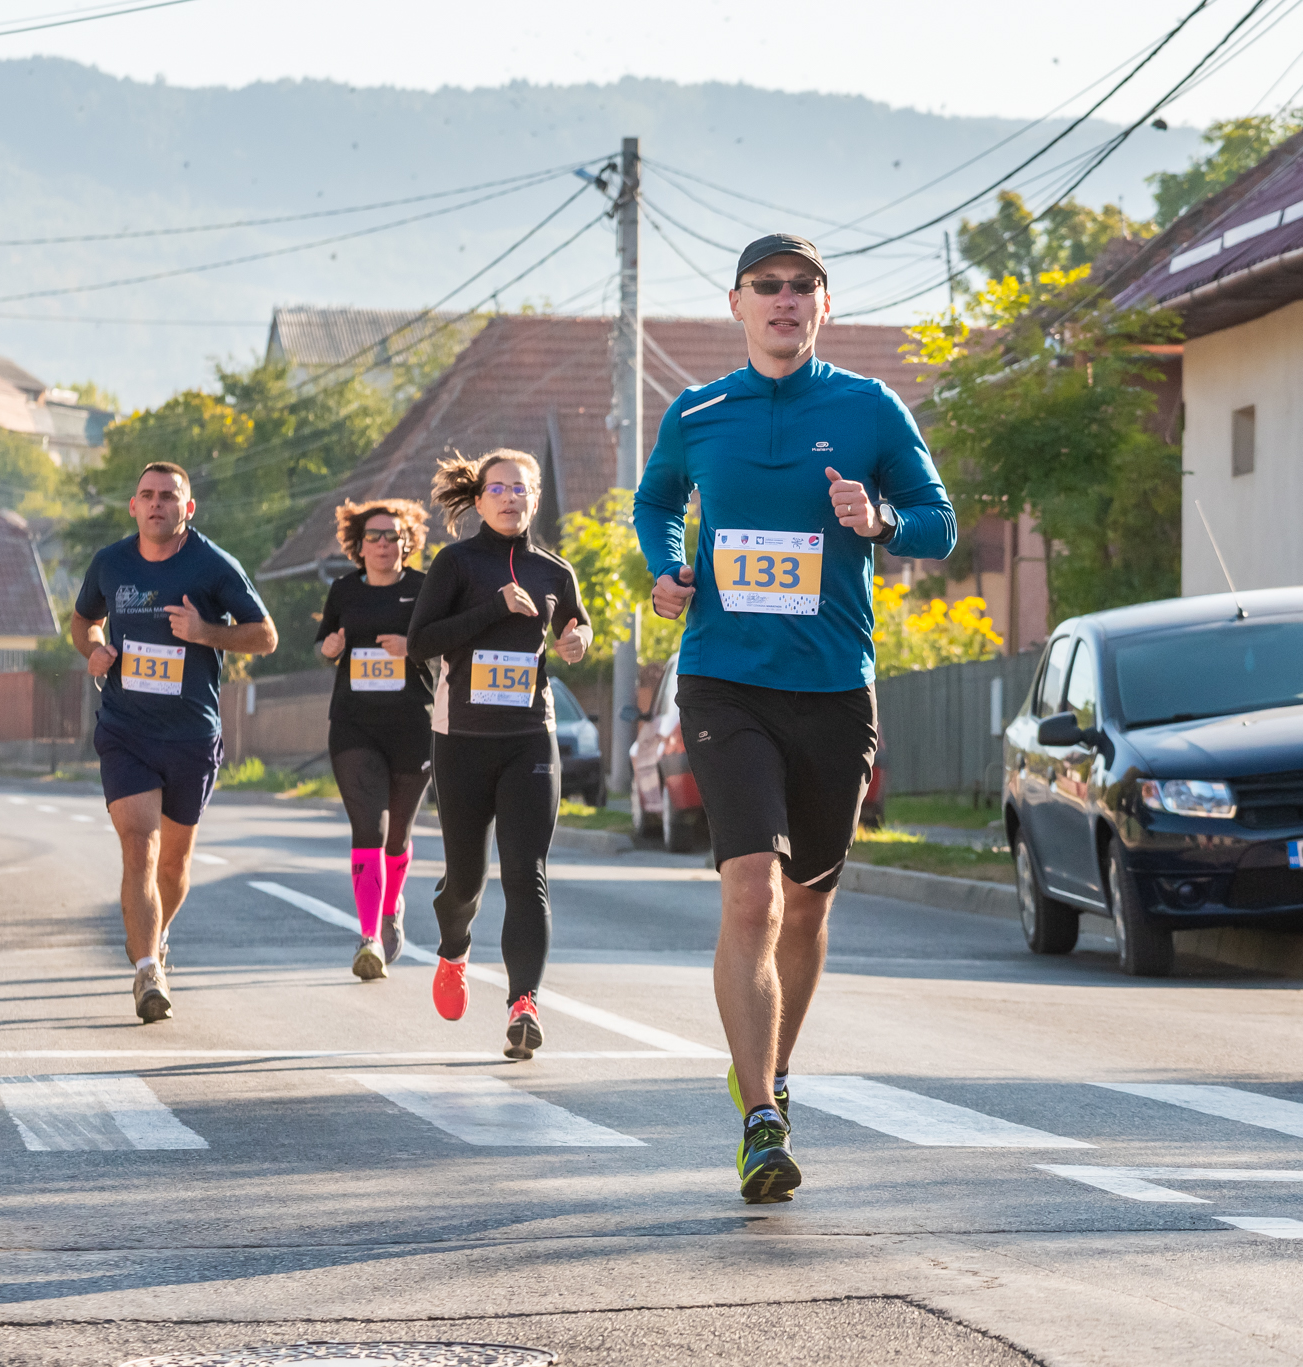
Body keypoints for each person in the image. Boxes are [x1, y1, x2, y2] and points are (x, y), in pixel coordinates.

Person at [634, 233, 956, 1204]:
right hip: (724, 679)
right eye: (764, 287)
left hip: (830, 688)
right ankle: (759, 1117)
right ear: (735, 306)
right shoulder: (697, 411)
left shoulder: (866, 408)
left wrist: (878, 521)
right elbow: (655, 503)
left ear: (823, 305)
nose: (782, 300)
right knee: (750, 894)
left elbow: (936, 521)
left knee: (808, 900)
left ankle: (766, 1071)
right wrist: (663, 566)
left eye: (799, 287)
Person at [70, 461, 277, 1024]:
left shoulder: (213, 565)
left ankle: (157, 937)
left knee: (175, 862)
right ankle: (146, 970)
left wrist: (207, 632)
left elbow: (265, 635)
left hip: (191, 733)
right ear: (133, 507)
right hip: (125, 729)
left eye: (168, 496)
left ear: (187, 509)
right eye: (147, 495)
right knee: (139, 844)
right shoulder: (110, 563)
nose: (157, 504)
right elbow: (83, 619)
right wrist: (93, 648)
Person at [406, 450, 591, 1061]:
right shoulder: (455, 563)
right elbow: (420, 644)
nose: (510, 497)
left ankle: (523, 1005)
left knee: (525, 874)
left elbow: (577, 628)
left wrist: (577, 639)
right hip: (461, 740)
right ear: (480, 499)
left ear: (535, 499)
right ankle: (453, 948)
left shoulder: (555, 572)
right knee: (465, 879)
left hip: (528, 740)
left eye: (521, 488)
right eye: (498, 488)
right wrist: (492, 610)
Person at [314, 498, 435, 980]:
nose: (383, 544)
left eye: (392, 536)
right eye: (374, 537)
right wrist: (331, 648)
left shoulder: (425, 590)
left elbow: (445, 645)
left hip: (412, 725)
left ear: (407, 543)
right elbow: (326, 642)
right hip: (355, 725)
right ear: (358, 547)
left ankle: (389, 909)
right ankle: (369, 938)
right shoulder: (344, 590)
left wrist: (414, 647)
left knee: (398, 837)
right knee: (370, 829)